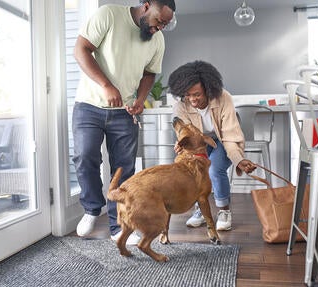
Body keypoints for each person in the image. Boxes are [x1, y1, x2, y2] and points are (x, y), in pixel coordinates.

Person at [73, 0, 176, 245]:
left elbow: (150, 73)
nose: (159, 27)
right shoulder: (108, 15)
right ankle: (91, 208)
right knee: (85, 156)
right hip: (89, 105)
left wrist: (140, 100)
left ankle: (118, 226)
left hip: (125, 112)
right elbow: (81, 50)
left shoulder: (157, 40)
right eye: (158, 21)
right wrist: (106, 85)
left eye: (165, 24)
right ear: (146, 5)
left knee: (125, 170)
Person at [168, 60, 257, 231]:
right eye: (188, 95)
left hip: (222, 140)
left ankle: (224, 211)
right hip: (197, 143)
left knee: (215, 169)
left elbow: (230, 134)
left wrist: (238, 160)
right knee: (192, 170)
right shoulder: (181, 106)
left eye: (197, 94)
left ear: (208, 90)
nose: (192, 99)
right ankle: (201, 209)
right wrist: (181, 144)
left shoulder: (223, 98)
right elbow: (185, 132)